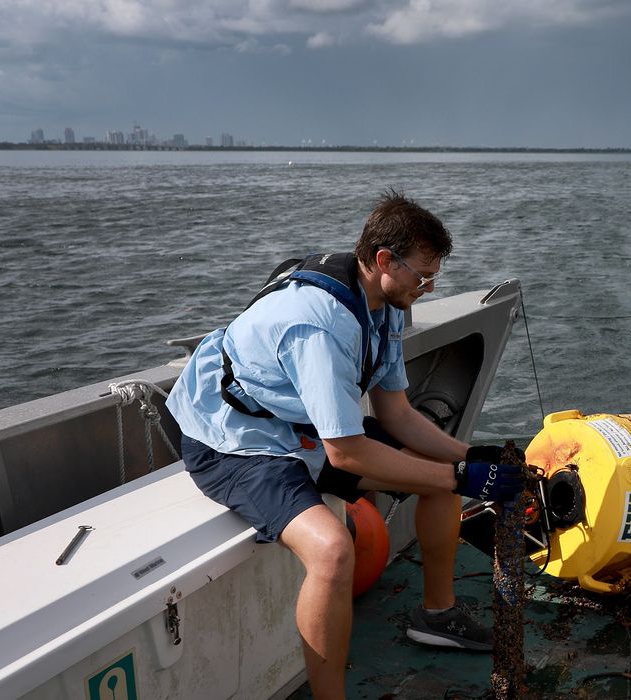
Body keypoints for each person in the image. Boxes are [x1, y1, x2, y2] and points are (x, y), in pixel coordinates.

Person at [166, 190, 525, 699]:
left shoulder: (385, 301)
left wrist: (467, 458)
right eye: (423, 276)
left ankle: (437, 615)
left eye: (434, 278)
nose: (427, 287)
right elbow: (348, 454)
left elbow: (396, 413)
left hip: (303, 429)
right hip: (234, 441)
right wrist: (460, 476)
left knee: (436, 469)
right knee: (333, 551)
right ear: (384, 260)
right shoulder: (317, 323)